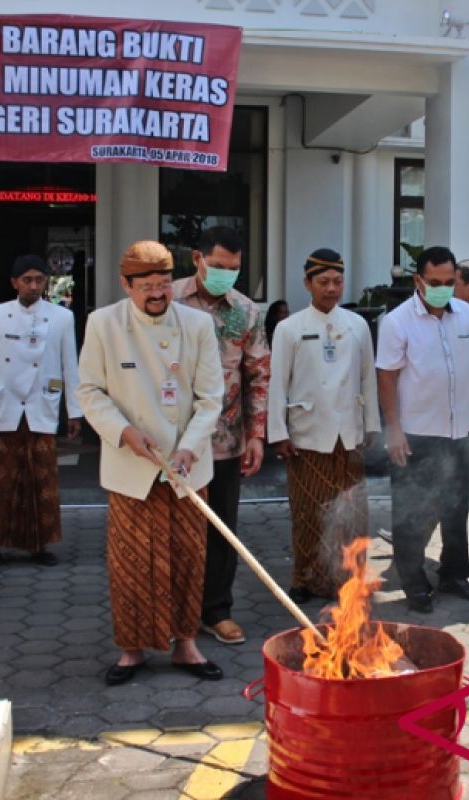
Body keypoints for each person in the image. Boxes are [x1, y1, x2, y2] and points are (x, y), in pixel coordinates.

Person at [77, 240, 225, 685]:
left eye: (164, 284)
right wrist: (124, 432)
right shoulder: (103, 324)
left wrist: (189, 447)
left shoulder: (198, 324)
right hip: (131, 464)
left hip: (185, 466)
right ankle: (132, 649)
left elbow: (210, 397)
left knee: (187, 557)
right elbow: (89, 391)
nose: (157, 294)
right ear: (127, 285)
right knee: (130, 562)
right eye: (147, 286)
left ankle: (186, 645)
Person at [376, 245, 469, 613]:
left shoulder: (465, 317)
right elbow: (387, 378)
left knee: (456, 508)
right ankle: (414, 584)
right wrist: (393, 430)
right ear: (418, 280)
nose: (441, 288)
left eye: (448, 281)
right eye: (434, 282)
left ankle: (455, 575)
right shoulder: (397, 322)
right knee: (411, 512)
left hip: (461, 432)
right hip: (416, 436)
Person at [173, 226, 270, 646]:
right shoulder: (168, 300)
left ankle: (216, 610)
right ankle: (174, 613)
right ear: (197, 258)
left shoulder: (245, 311)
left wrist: (256, 436)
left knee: (222, 528)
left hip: (225, 440)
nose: (225, 275)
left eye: (233, 269)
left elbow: (258, 376)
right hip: (174, 440)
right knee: (175, 527)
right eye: (217, 267)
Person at [268, 249, 380, 602]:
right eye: (323, 282)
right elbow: (277, 384)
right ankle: (305, 579)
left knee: (352, 512)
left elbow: (368, 379)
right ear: (308, 284)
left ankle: (350, 579)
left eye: (337, 281)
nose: (331, 288)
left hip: (349, 434)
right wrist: (278, 432)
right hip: (306, 434)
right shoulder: (289, 329)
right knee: (308, 511)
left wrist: (371, 425)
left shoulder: (357, 325)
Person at [0, 255, 82, 568]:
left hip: (40, 405)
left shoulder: (61, 317)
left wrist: (75, 411)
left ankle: (38, 544)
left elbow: (69, 365)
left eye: (39, 280)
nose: (33, 286)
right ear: (14, 282)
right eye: (27, 280)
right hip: (1, 405)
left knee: (40, 478)